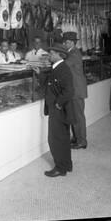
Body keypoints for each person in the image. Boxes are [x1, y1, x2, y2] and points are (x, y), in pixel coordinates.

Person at [32, 43, 76, 177]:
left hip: (59, 109)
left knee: (55, 139)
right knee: (63, 138)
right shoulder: (57, 67)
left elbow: (69, 91)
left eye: (51, 53)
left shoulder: (63, 69)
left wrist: (57, 104)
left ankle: (60, 168)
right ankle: (66, 165)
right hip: (59, 109)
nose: (49, 55)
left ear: (59, 55)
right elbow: (51, 83)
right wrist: (40, 74)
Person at [62, 32, 88, 149]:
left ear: (72, 43)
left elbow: (64, 65)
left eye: (66, 42)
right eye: (64, 41)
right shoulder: (70, 52)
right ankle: (76, 137)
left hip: (76, 90)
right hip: (74, 89)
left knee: (78, 116)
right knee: (73, 115)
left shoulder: (74, 53)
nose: (64, 44)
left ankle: (82, 141)